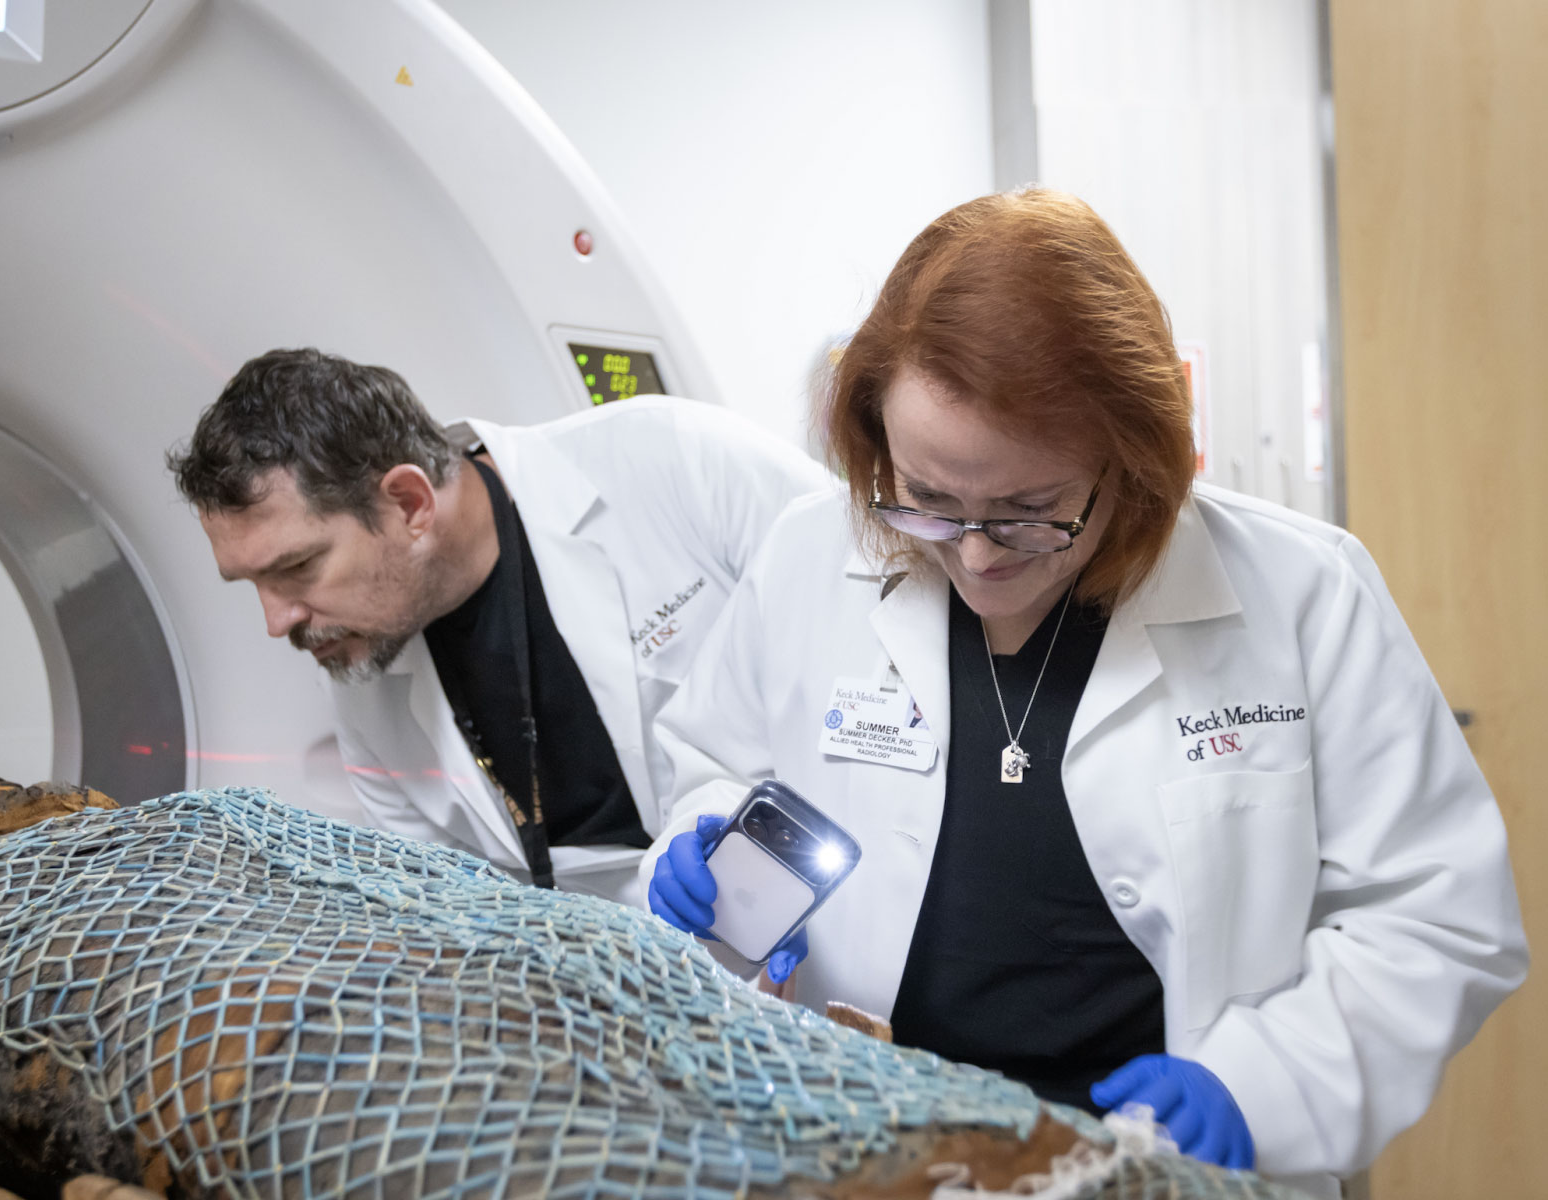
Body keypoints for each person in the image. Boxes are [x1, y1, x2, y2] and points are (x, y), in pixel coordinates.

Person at [639, 190, 1526, 1197]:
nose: (977, 555)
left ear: (1131, 457)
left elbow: (1437, 913)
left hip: (1155, 1168)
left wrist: (1266, 1084)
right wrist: (700, 852)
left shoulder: (1302, 594)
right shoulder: (807, 557)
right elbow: (715, 764)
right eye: (929, 499)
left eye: (1030, 509)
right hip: (872, 1146)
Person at [171, 348, 827, 905]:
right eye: (251, 583)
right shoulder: (363, 691)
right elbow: (452, 915)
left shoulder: (674, 461)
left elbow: (859, 612)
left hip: (826, 886)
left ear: (409, 503)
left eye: (297, 567)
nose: (276, 620)